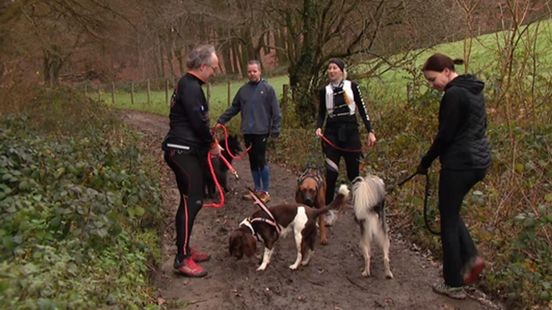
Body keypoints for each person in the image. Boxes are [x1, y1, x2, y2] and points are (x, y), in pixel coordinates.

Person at [417, 53, 490, 299]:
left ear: (447, 71)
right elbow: (480, 127)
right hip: (478, 162)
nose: (432, 85)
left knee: (447, 220)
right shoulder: (474, 90)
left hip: (459, 163)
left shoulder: (453, 94)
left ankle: (453, 283)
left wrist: (425, 161)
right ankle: (471, 258)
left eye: (432, 79)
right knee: (451, 211)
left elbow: (445, 136)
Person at [162, 44, 221, 277]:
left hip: (183, 150)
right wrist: (212, 144)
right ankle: (182, 259)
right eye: (214, 68)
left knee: (189, 201)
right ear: (203, 66)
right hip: (182, 152)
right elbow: (199, 123)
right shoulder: (191, 87)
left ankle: (185, 248)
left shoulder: (189, 85)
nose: (214, 73)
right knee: (192, 202)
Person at [217, 60, 281, 203]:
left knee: (260, 160)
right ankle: (257, 189)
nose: (252, 74)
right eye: (249, 72)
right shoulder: (243, 91)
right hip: (248, 131)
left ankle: (265, 192)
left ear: (260, 71)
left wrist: (276, 128)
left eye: (254, 71)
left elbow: (276, 111)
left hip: (262, 131)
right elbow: (234, 108)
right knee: (252, 161)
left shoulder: (268, 89)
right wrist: (221, 120)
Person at [315, 58, 376, 205]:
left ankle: (360, 205)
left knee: (354, 174)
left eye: (335, 68)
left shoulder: (352, 86)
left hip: (350, 132)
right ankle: (328, 209)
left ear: (342, 71)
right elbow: (322, 113)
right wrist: (318, 127)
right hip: (332, 132)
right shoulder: (325, 91)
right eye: (329, 68)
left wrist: (370, 131)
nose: (331, 71)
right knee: (331, 173)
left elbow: (362, 109)